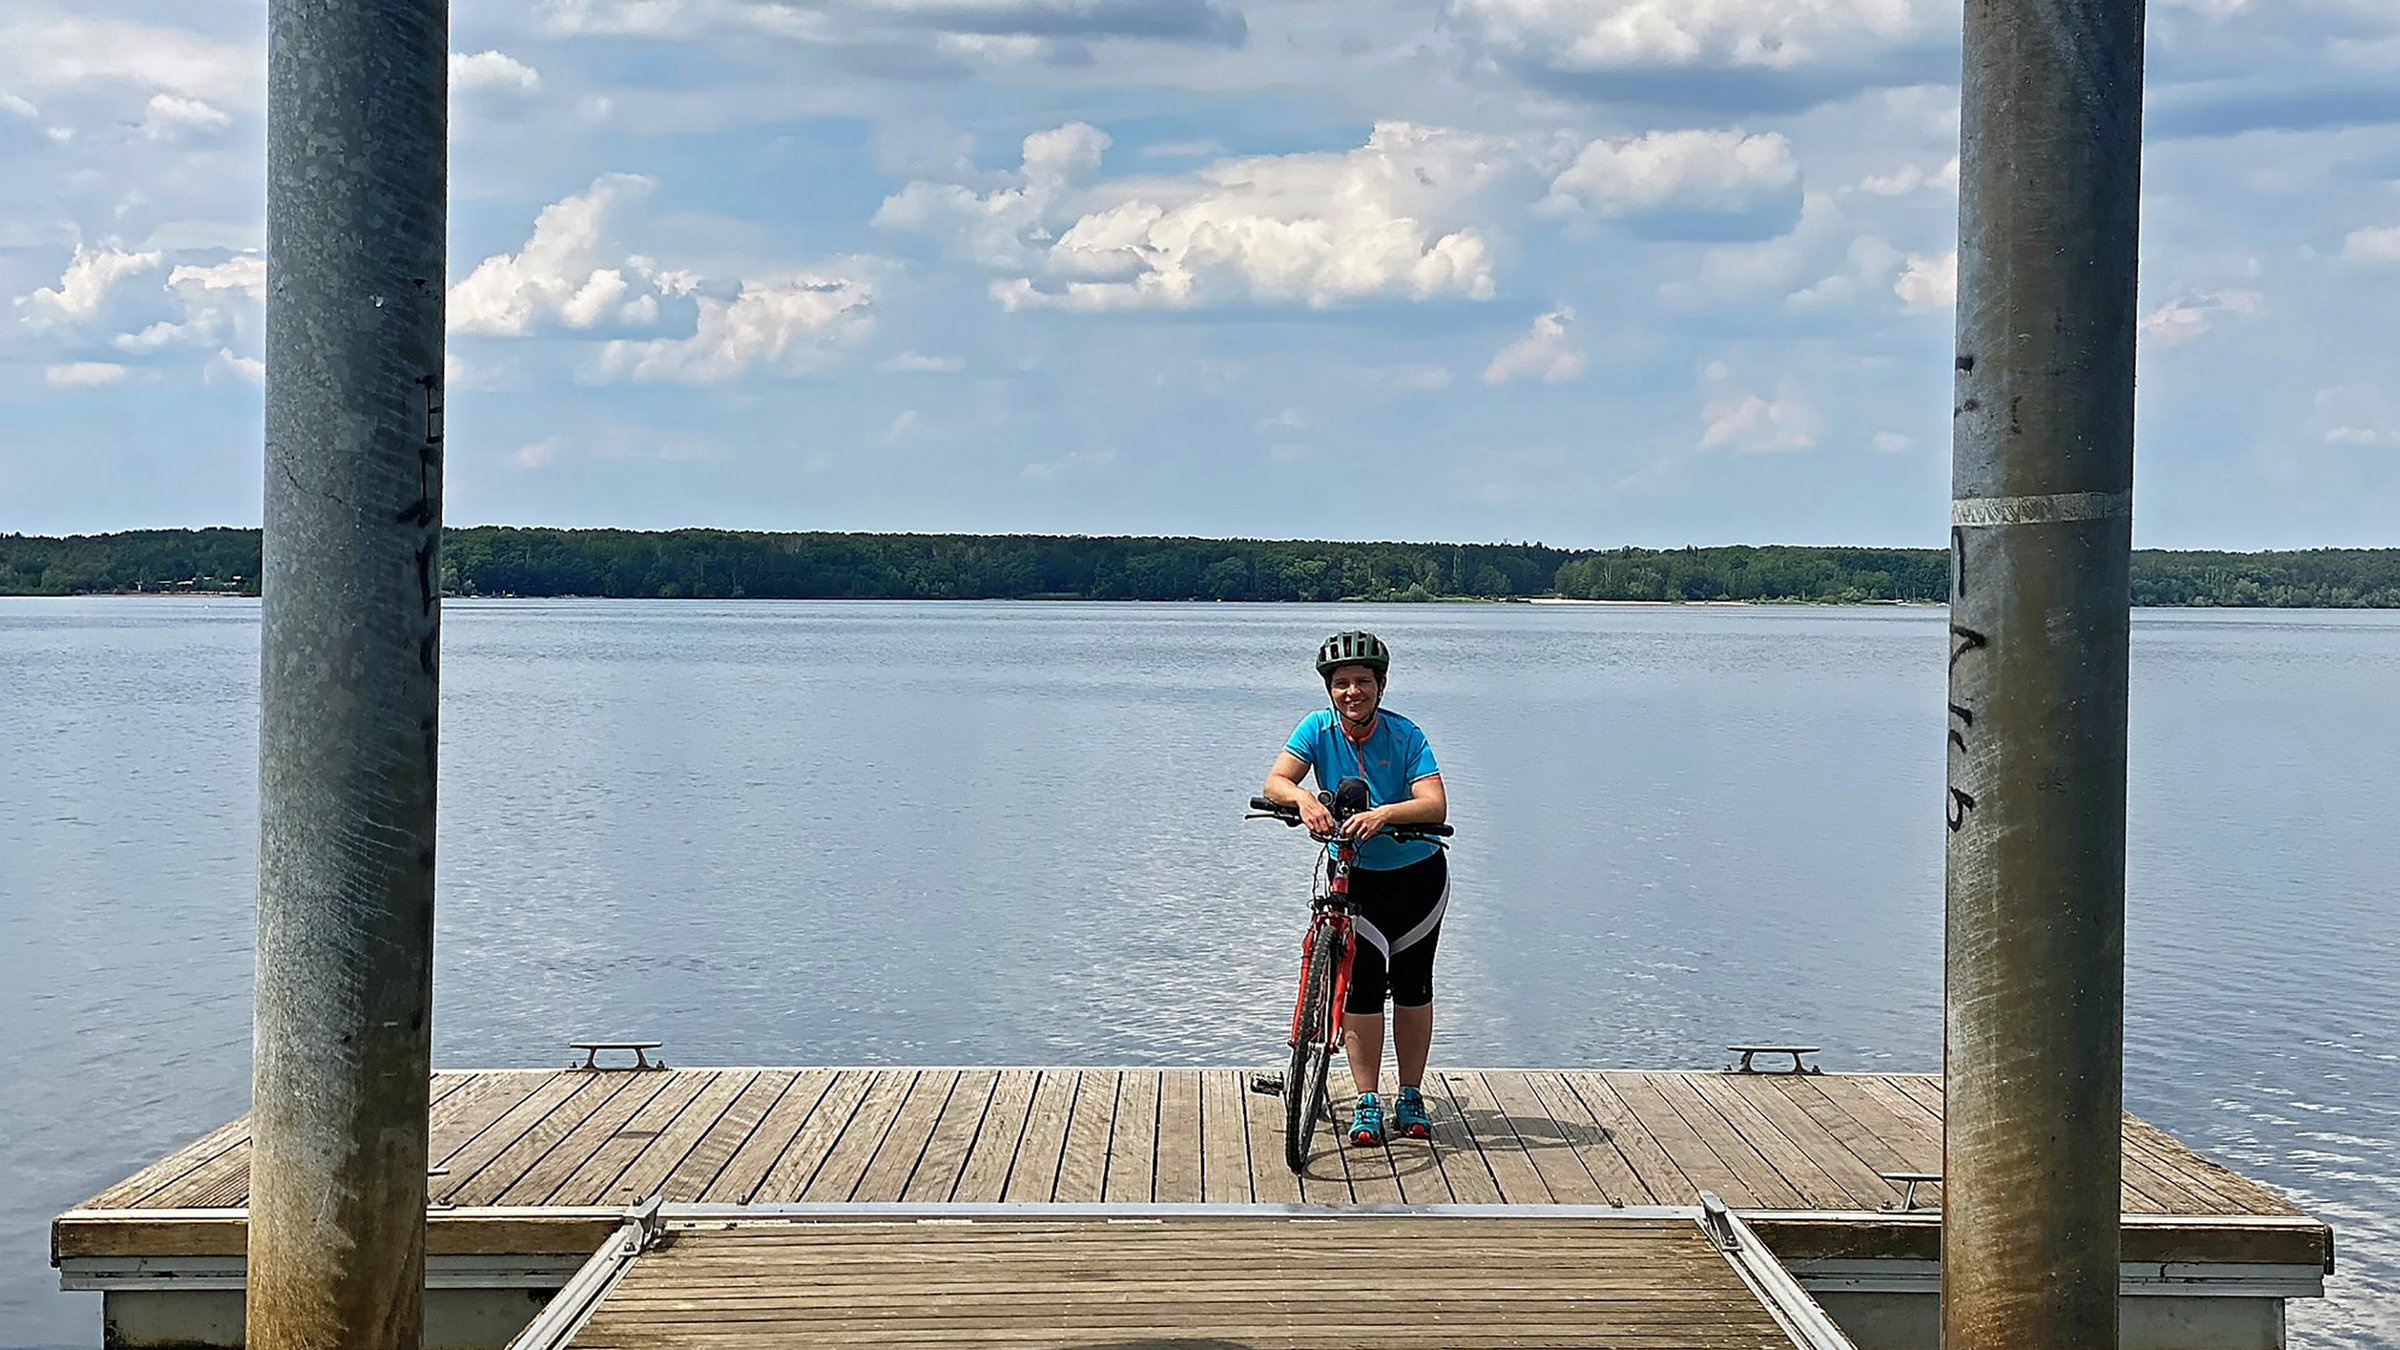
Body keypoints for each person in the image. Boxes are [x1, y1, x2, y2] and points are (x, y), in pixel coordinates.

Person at [1259, 630, 1450, 1146]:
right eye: (1341, 683)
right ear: (1330, 689)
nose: (1351, 692)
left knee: (1413, 985)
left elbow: (1434, 805)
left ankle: (1410, 1095)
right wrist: (1302, 800)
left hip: (1416, 875)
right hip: (1353, 873)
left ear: (1380, 685)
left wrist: (1386, 814)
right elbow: (1274, 781)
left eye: (1362, 681)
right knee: (1362, 987)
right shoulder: (1316, 729)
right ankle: (1367, 1100)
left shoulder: (1406, 735)